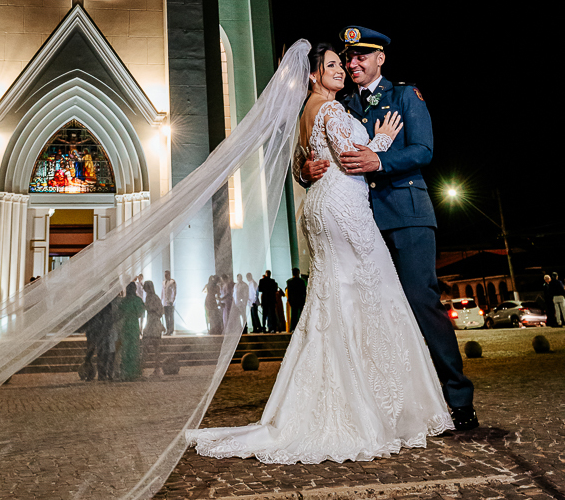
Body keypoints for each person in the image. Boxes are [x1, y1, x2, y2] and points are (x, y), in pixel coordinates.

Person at [189, 43, 453, 464]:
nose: (345, 69)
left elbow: (319, 151)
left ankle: (366, 393)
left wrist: (308, 164)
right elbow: (348, 158)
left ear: (379, 59)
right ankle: (373, 405)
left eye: (347, 63)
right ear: (314, 75)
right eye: (334, 64)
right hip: (343, 208)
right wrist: (381, 140)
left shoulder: (346, 103)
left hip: (335, 208)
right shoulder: (331, 107)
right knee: (371, 295)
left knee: (338, 298)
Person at [298, 25, 477, 434]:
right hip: (361, 223)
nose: (353, 63)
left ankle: (458, 397)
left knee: (420, 302)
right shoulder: (338, 103)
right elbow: (315, 150)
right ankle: (394, 402)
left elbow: (423, 149)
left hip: (406, 215)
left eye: (361, 56)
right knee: (376, 312)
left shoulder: (403, 96)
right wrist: (305, 170)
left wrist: (380, 161)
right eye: (348, 57)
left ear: (380, 59)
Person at [116, 282, 146, 380]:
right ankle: (133, 371)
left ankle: (126, 371)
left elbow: (119, 312)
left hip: (125, 326)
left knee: (126, 349)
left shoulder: (124, 301)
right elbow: (140, 313)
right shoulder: (137, 300)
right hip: (133, 326)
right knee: (134, 349)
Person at [142, 280, 165, 375]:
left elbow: (152, 309)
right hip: (154, 323)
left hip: (152, 323)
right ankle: (156, 367)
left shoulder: (151, 298)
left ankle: (143, 366)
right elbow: (160, 311)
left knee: (147, 347)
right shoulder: (155, 297)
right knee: (156, 349)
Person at [285, 268, 306, 333]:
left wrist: (289, 300)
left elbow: (289, 292)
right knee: (300, 315)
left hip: (293, 300)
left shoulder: (289, 281)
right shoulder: (301, 281)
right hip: (300, 300)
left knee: (293, 315)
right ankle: (301, 327)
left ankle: (293, 328)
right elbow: (304, 292)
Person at [161, 270, 177, 335]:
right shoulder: (163, 282)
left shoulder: (172, 282)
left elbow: (175, 292)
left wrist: (172, 301)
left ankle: (171, 330)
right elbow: (162, 291)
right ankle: (168, 330)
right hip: (165, 302)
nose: (165, 276)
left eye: (166, 274)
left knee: (171, 317)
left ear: (169, 275)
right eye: (165, 274)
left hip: (170, 302)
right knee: (166, 317)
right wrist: (161, 300)